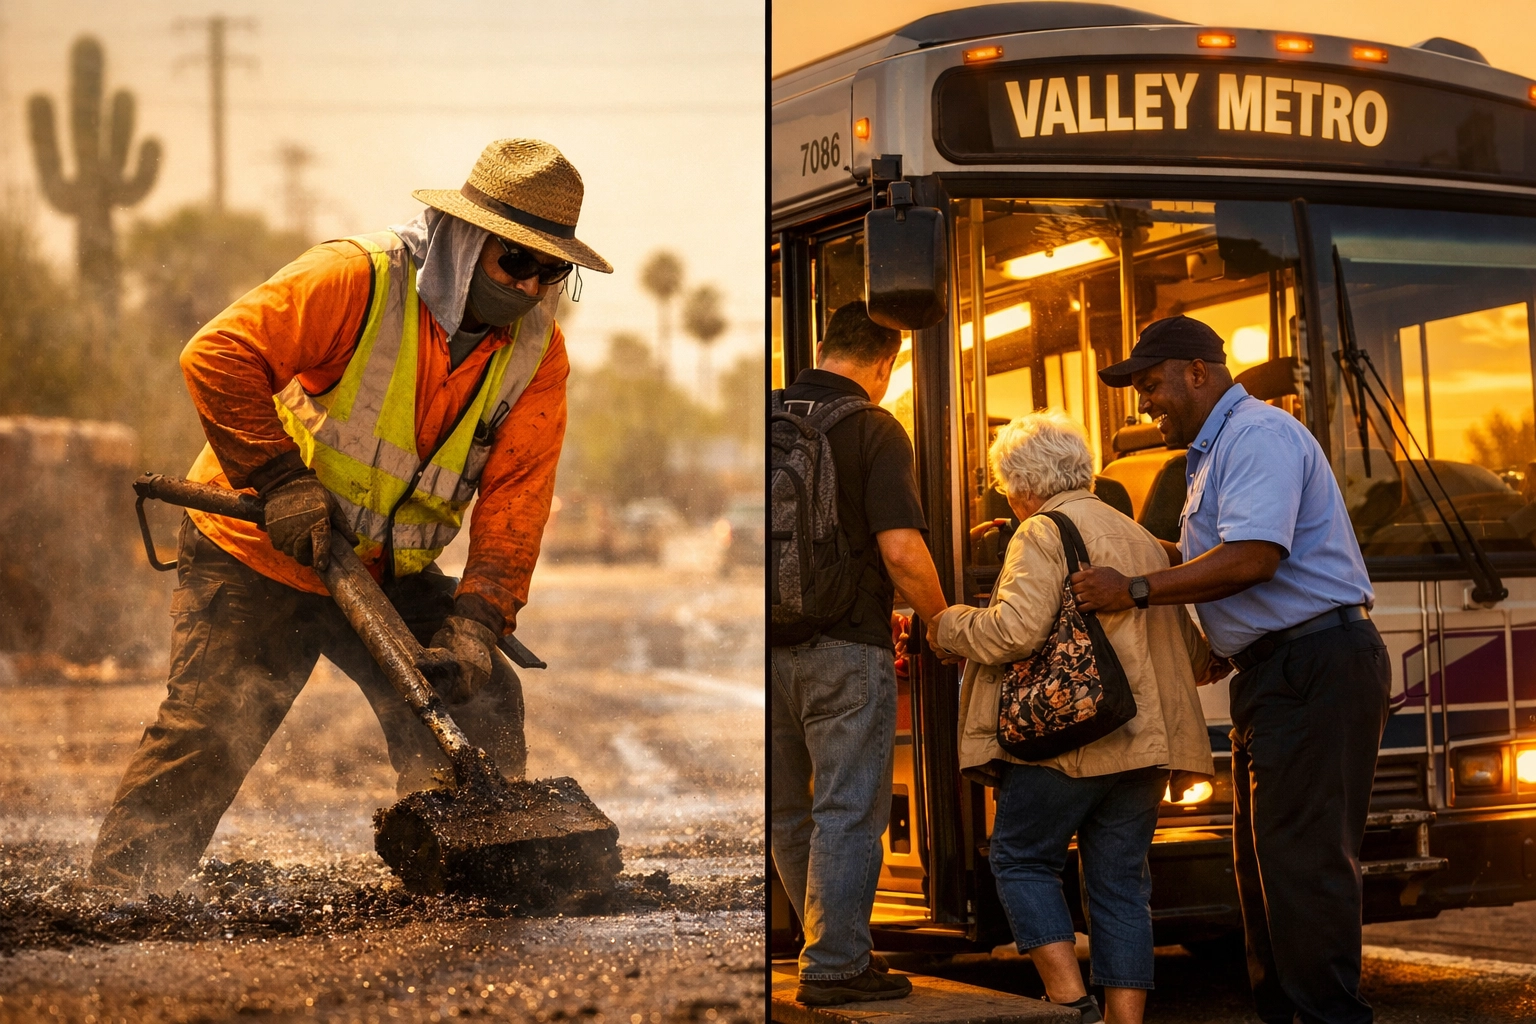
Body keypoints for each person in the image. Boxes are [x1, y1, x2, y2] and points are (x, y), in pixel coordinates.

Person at [89, 139, 612, 892]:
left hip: (381, 567)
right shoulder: (357, 280)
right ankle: (123, 895)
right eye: (515, 262)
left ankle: (468, 876)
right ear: (466, 241)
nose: (531, 286)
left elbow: (516, 499)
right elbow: (217, 355)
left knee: (484, 695)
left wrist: (475, 620)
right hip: (255, 548)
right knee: (209, 728)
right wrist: (279, 482)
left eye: (549, 270)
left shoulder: (537, 354)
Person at [1073, 315, 1390, 1024]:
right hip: (1276, 671)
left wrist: (1136, 590)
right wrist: (1083, 535)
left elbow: (1253, 557)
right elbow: (1203, 556)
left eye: (1152, 385)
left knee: (1303, 873)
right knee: (1264, 873)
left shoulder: (1258, 436)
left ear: (1197, 371)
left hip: (1316, 666)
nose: (1145, 402)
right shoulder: (1212, 454)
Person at [928, 411, 1214, 1024]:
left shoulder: (1041, 531)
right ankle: (1125, 1020)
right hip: (1148, 745)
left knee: (1021, 858)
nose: (1006, 494)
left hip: (1071, 739)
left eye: (1006, 481)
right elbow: (1193, 654)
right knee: (1119, 885)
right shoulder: (1138, 535)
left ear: (1024, 480)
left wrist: (949, 624)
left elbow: (1015, 631)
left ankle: (1069, 1004)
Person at [771, 300, 948, 1006]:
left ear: (821, 346)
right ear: (886, 364)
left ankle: (828, 947)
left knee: (790, 813)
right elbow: (901, 549)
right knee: (847, 809)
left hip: (766, 645)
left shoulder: (770, 418)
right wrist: (942, 622)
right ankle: (838, 963)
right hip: (845, 646)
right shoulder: (874, 428)